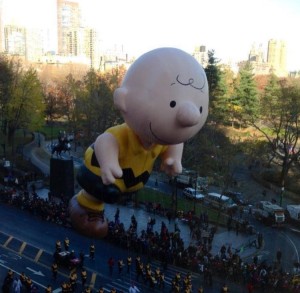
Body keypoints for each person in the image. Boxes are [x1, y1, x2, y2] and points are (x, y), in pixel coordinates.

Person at [69, 47, 209, 239]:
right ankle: (87, 204)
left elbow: (174, 142)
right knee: (106, 192)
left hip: (129, 182)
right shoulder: (124, 134)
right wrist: (108, 163)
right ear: (123, 100)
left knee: (112, 193)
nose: (191, 117)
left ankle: (92, 205)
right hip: (100, 177)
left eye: (200, 108)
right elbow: (105, 140)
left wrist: (174, 158)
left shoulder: (162, 139)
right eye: (172, 104)